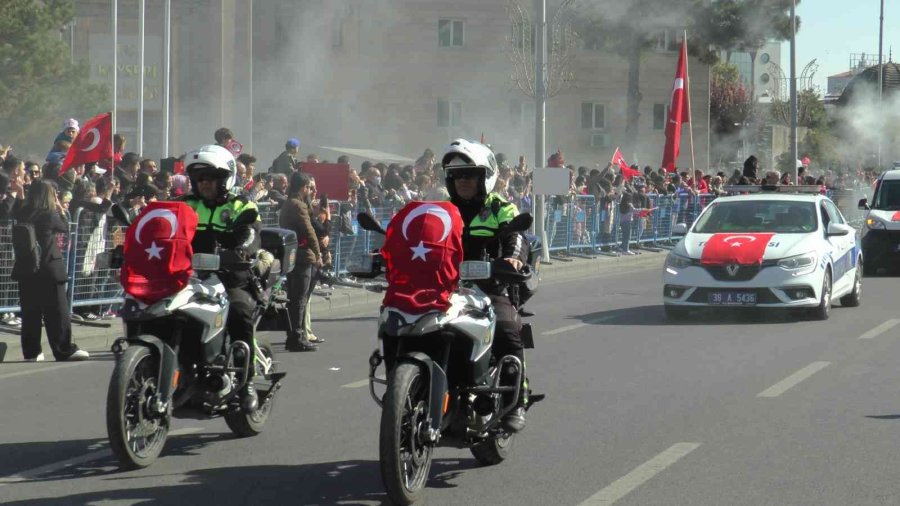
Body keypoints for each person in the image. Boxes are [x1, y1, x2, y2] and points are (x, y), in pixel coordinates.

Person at [442, 138, 530, 433]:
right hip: (444, 287)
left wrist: (513, 258)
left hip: (489, 287)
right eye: (456, 176)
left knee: (508, 329)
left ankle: (516, 400)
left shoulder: (499, 208)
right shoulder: (440, 210)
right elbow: (414, 236)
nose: (462, 181)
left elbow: (516, 236)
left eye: (469, 174)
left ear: (485, 177)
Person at [181, 144, 262, 411]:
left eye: (210, 178)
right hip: (189, 278)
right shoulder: (183, 205)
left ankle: (247, 380)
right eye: (199, 178)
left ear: (224, 178)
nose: (204, 183)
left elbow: (250, 232)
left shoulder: (241, 205)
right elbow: (158, 229)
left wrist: (241, 248)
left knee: (240, 312)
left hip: (228, 279)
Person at [13, 181, 89, 361]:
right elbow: (65, 226)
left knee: (30, 313)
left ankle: (32, 352)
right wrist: (60, 208)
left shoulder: (23, 213)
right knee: (57, 312)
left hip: (26, 269)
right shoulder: (49, 214)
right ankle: (64, 349)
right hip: (48, 268)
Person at [278, 172, 321, 352]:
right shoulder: (298, 206)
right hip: (303, 256)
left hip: (293, 254)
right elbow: (309, 231)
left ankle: (294, 336)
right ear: (303, 187)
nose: (310, 191)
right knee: (299, 299)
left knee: (295, 298)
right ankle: (297, 337)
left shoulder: (288, 204)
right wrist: (318, 253)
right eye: (309, 188)